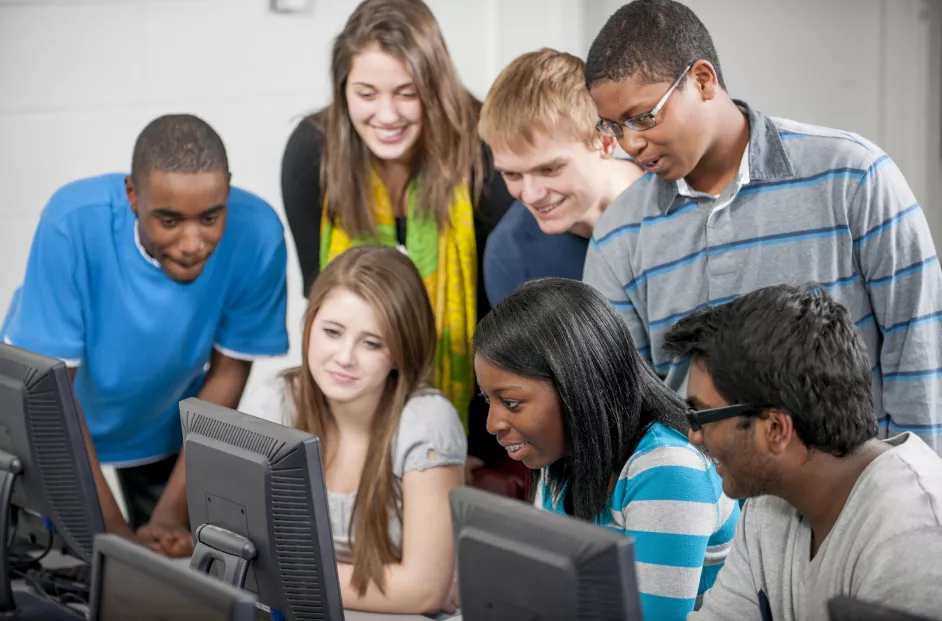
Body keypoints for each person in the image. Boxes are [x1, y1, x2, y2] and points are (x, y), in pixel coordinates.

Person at [582, 0, 942, 453]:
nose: (631, 143)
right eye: (614, 126)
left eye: (643, 117)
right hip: (703, 513)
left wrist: (913, 492)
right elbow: (627, 407)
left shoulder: (852, 177)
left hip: (855, 501)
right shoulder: (618, 234)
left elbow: (919, 352)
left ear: (702, 80)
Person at [2, 114, 289, 556]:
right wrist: (110, 528)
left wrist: (170, 514)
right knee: (52, 566)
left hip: (159, 424)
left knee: (164, 563)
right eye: (169, 221)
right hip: (56, 415)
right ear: (133, 195)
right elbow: (53, 392)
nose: (193, 242)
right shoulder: (71, 222)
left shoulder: (259, 234)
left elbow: (228, 373)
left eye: (211, 217)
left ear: (227, 190)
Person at [280, 0, 514, 437]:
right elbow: (323, 297)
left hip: (475, 403)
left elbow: (501, 315)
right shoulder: (313, 152)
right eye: (366, 94)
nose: (386, 116)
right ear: (342, 87)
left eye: (407, 93)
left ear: (436, 86)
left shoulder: (485, 148)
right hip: (356, 404)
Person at [664, 284, 942, 620]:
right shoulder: (769, 502)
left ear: (775, 430)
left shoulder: (913, 539)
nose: (694, 436)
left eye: (701, 416)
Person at [473, 278, 739, 621]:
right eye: (487, 400)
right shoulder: (559, 458)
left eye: (511, 402)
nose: (492, 424)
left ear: (576, 387)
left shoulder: (668, 468)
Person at [240, 246, 465, 615]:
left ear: (401, 351)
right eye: (332, 331)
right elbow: (236, 543)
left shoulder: (426, 420)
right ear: (309, 324)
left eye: (371, 343)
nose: (345, 357)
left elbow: (423, 592)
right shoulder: (276, 399)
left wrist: (279, 578)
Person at [478, 48, 644, 306]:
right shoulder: (509, 255)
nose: (531, 194)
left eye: (549, 169)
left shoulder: (685, 203)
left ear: (606, 140)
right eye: (511, 174)